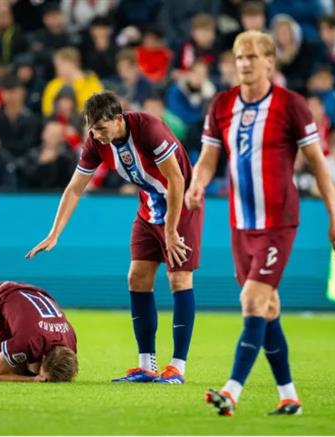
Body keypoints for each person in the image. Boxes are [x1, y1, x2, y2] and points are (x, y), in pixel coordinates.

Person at [186, 31, 335, 416]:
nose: (244, 63)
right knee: (267, 307)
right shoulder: (222, 105)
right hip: (241, 224)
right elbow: (210, 158)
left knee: (252, 300)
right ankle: (288, 394)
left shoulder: (291, 106)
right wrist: (196, 185)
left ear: (270, 63)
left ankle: (232, 391)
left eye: (252, 57)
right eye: (239, 56)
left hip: (279, 221)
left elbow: (319, 165)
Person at [27, 91, 203, 384]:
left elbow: (176, 179)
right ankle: (147, 365)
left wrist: (171, 230)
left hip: (180, 206)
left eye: (102, 128)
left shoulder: (149, 129)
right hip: (148, 208)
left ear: (118, 119)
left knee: (179, 279)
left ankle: (177, 367)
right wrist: (54, 233)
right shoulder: (96, 142)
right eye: (92, 129)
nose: (97, 135)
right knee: (137, 277)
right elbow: (74, 188)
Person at [0, 280, 78, 382]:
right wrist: (33, 379)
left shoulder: (70, 343)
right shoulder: (27, 341)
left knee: (28, 365)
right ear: (43, 357)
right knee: (9, 369)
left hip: (29, 294)